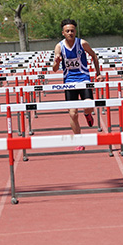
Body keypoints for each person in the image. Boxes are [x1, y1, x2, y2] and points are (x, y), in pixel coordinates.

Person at [52, 19, 105, 150]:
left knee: (88, 106)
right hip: (69, 81)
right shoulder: (59, 47)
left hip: (83, 79)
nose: (70, 33)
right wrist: (57, 62)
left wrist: (98, 73)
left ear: (75, 31)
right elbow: (54, 69)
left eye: (72, 31)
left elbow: (94, 56)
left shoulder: (82, 43)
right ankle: (79, 141)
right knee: (73, 114)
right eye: (67, 31)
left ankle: (87, 114)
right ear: (63, 33)